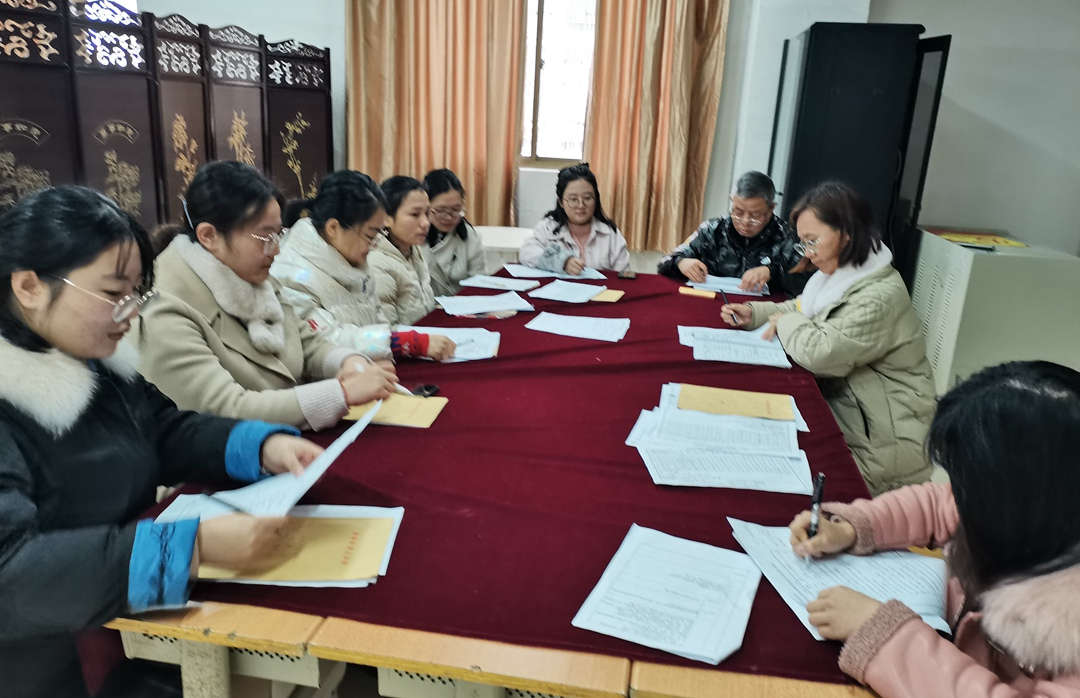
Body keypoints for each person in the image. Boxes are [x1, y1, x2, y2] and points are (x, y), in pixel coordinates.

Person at [0, 186, 325, 698]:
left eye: (136, 293)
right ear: (29, 286)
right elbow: (12, 574)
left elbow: (163, 430)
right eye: (113, 294)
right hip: (49, 663)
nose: (130, 313)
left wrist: (260, 448)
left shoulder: (95, 364)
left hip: (131, 620)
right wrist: (188, 548)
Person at [788, 361, 1080, 697]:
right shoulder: (1035, 503)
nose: (959, 499)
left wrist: (884, 636)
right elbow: (939, 504)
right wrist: (853, 527)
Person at [133, 161, 397, 431]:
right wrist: (341, 393)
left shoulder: (256, 279)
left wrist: (347, 361)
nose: (276, 250)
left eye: (278, 234)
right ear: (209, 236)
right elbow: (225, 408)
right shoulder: (165, 308)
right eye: (265, 237)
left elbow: (306, 343)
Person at [721, 182, 934, 495]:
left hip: (884, 441)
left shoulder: (878, 295)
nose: (808, 253)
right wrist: (757, 314)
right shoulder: (842, 274)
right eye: (803, 243)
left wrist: (785, 321)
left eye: (813, 241)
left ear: (846, 233)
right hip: (854, 410)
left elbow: (821, 354)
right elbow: (804, 308)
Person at [272, 170, 455, 361]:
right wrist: (400, 342)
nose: (375, 245)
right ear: (333, 228)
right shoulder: (292, 274)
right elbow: (321, 341)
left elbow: (378, 324)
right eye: (370, 235)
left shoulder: (352, 257)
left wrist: (385, 351)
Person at [658, 170, 811, 294]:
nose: (745, 221)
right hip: (712, 304)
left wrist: (772, 272)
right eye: (738, 212)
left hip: (762, 312)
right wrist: (681, 262)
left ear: (771, 208)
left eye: (755, 215)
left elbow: (808, 281)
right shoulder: (713, 230)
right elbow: (664, 262)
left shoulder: (788, 236)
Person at [519, 162, 630, 274]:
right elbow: (527, 253)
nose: (581, 205)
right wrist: (562, 261)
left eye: (587, 198)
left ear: (596, 199)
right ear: (561, 202)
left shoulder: (610, 234)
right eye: (573, 199)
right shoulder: (548, 227)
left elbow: (622, 275)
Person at [368, 176, 439, 325]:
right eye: (415, 214)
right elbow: (387, 331)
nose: (426, 223)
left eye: (427, 214)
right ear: (385, 218)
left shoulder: (415, 250)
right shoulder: (376, 263)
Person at [423, 168, 485, 296]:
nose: (448, 217)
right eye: (441, 210)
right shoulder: (413, 237)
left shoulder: (470, 236)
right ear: (425, 206)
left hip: (463, 303)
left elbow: (479, 283)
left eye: (455, 210)